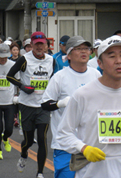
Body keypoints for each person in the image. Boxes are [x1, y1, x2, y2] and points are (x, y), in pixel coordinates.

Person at [56, 36, 121, 178]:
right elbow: (63, 133)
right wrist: (84, 148)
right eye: (111, 56)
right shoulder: (83, 95)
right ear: (100, 63)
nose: (118, 61)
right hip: (92, 170)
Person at [41, 36, 101, 178]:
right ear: (68, 54)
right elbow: (44, 104)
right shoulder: (60, 77)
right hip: (65, 144)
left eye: (86, 48)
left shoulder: (96, 75)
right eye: (79, 49)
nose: (84, 52)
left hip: (91, 142)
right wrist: (59, 104)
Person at [6, 31, 55, 178]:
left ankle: (40, 172)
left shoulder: (51, 60)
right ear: (31, 45)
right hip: (26, 105)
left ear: (46, 45)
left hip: (43, 106)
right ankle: (24, 153)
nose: (39, 47)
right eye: (36, 44)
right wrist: (23, 87)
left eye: (42, 44)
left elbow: (55, 79)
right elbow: (9, 76)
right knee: (28, 141)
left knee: (42, 138)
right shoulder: (24, 60)